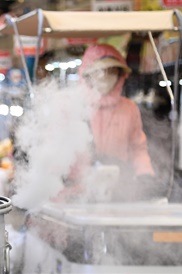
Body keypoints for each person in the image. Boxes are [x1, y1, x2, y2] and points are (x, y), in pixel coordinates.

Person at [55, 44, 156, 202]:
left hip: (116, 190)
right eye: (99, 71)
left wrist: (145, 174)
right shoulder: (70, 106)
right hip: (74, 193)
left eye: (111, 71)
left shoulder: (129, 109)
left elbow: (138, 148)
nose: (104, 77)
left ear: (120, 75)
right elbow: (54, 149)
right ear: (87, 74)